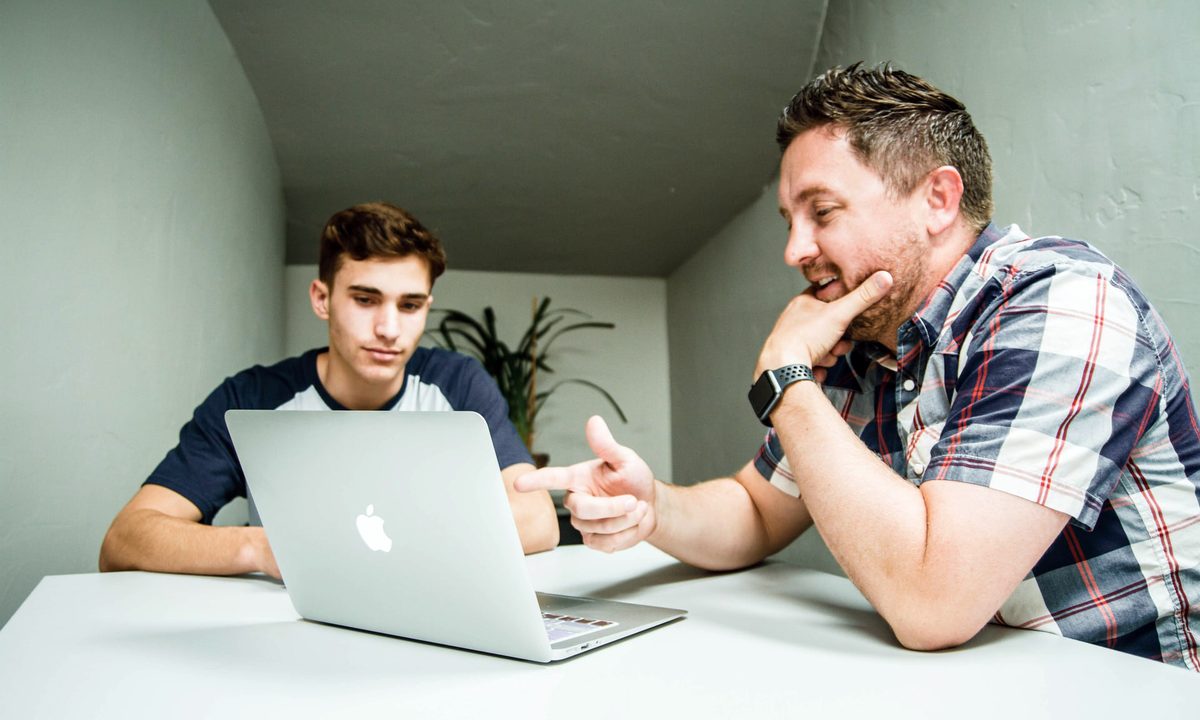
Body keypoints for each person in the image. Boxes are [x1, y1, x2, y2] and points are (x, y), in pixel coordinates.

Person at [517, 64, 1200, 669]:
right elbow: (758, 509)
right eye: (790, 219)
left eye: (822, 212)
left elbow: (934, 603)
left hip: (1132, 687)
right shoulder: (869, 338)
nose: (794, 249)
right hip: (981, 683)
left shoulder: (1061, 301)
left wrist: (786, 377)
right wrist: (653, 506)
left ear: (937, 199)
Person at [101, 202, 559, 577]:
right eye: (365, 299)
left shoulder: (457, 384)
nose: (388, 328)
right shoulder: (252, 398)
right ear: (322, 299)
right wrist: (263, 548)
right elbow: (126, 539)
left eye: (410, 305)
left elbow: (538, 521)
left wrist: (375, 542)